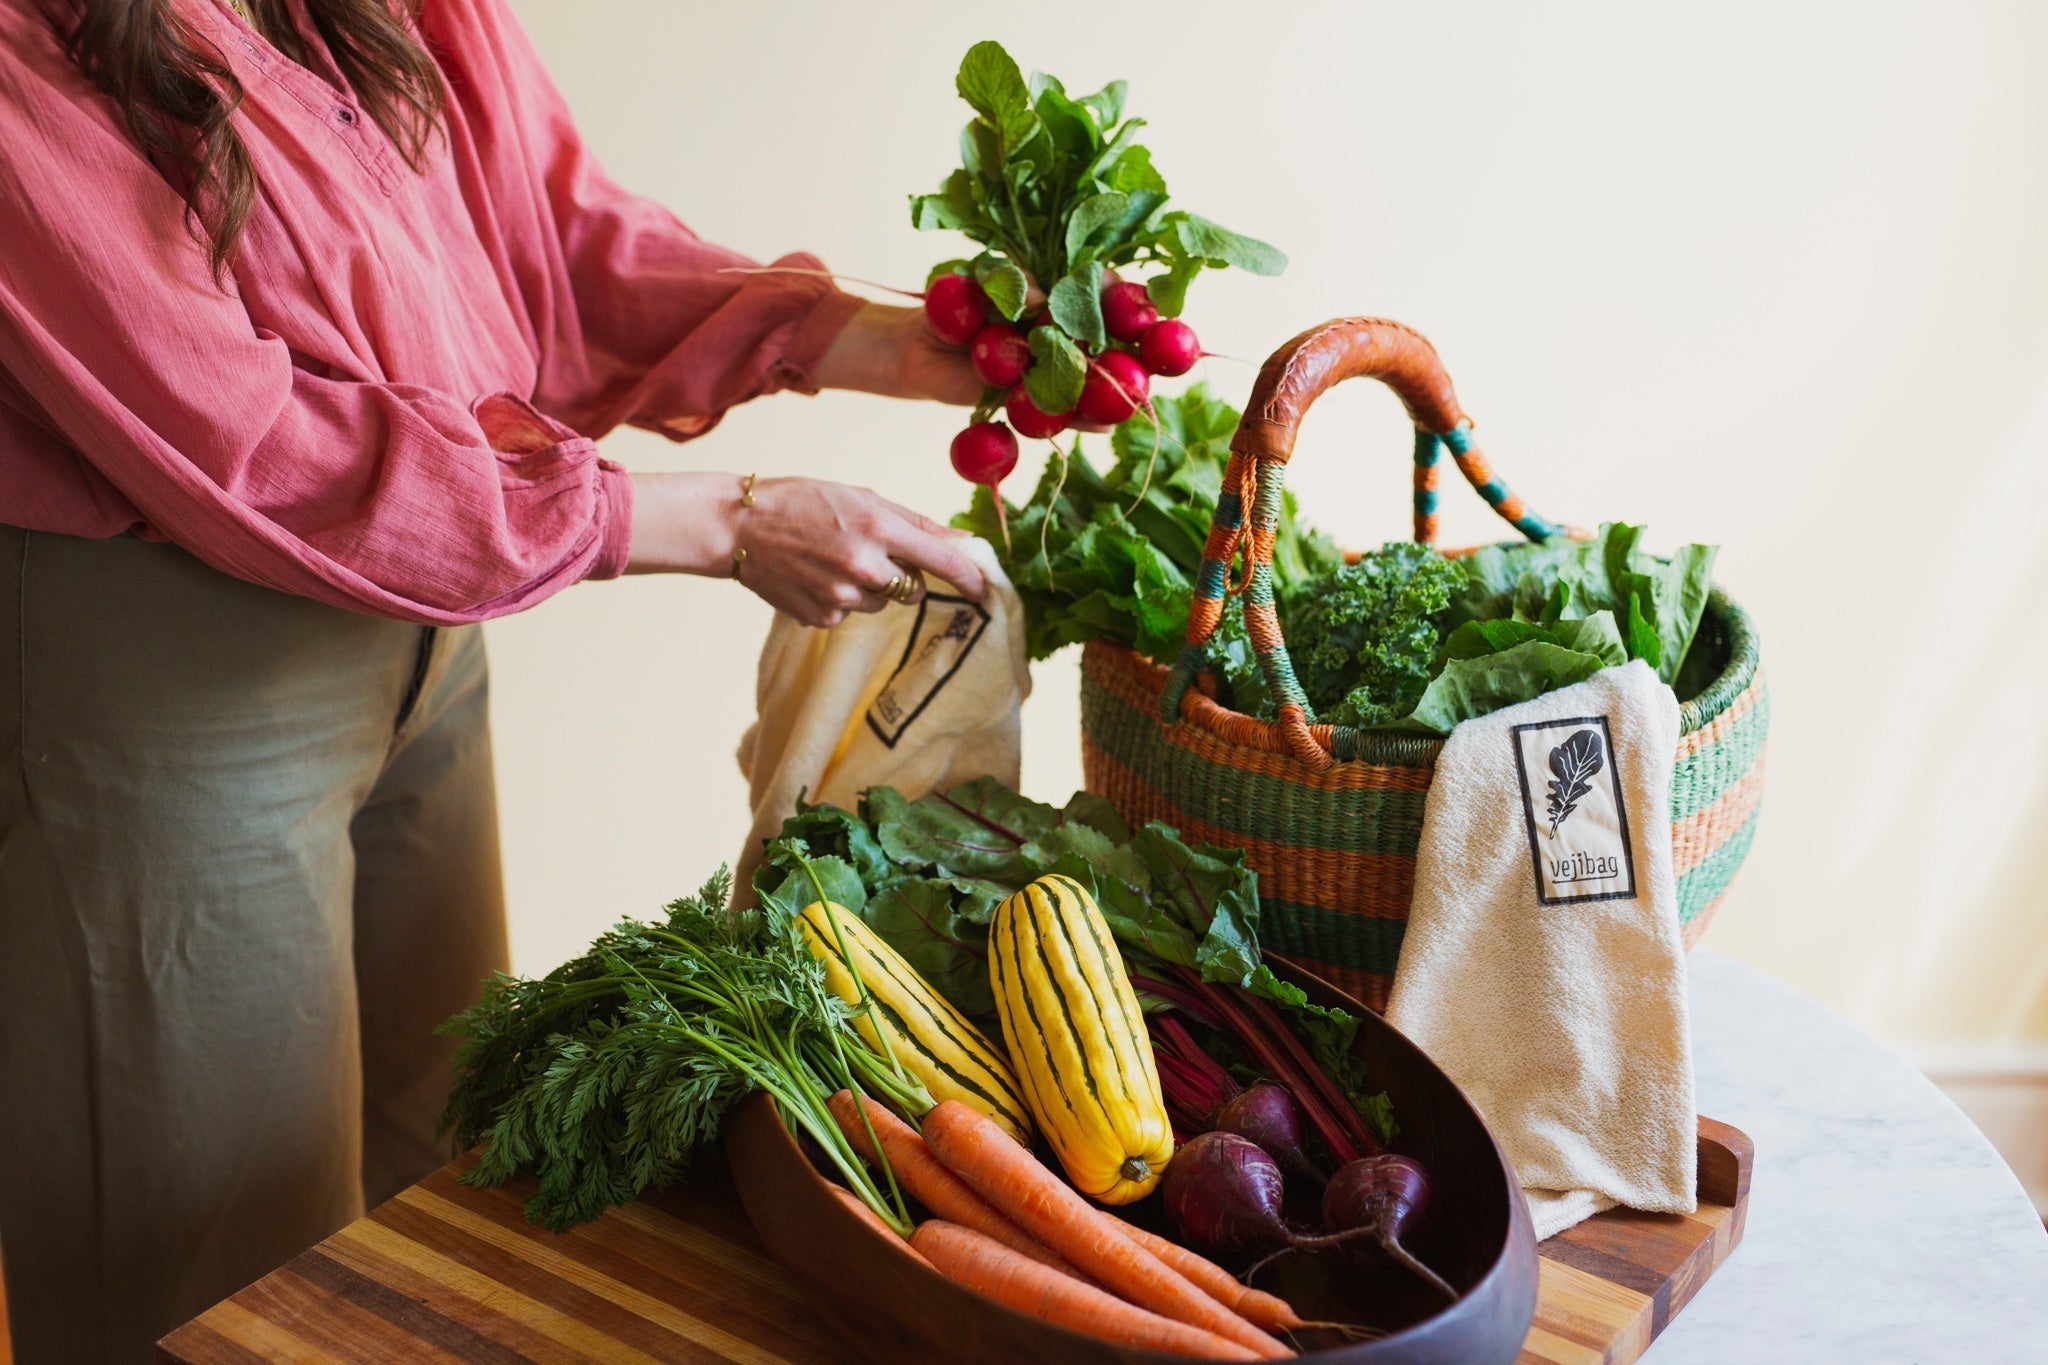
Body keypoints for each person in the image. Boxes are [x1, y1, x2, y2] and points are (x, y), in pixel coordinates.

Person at [0, 0, 988, 1357]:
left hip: (424, 629)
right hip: (177, 687)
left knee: (444, 1180)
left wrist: (859, 338)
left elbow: (550, 235)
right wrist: (723, 521)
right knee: (217, 1274)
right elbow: (253, 445)